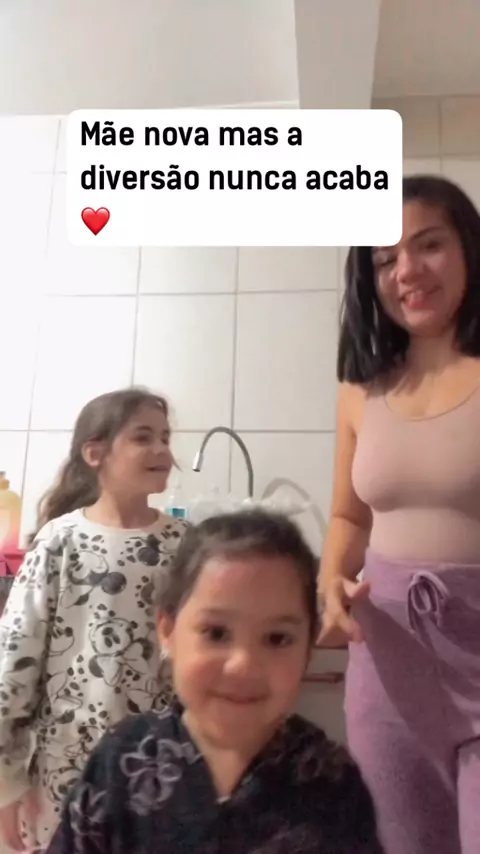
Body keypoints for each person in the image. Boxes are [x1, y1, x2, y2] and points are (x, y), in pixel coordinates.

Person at [44, 510, 383, 854]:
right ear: (167, 631)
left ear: (308, 648)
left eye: (277, 638)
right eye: (216, 633)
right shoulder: (121, 761)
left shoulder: (332, 780)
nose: (243, 665)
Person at [318, 174, 480, 854]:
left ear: (469, 248)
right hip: (387, 666)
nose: (406, 270)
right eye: (385, 259)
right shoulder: (361, 387)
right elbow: (348, 518)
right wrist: (330, 579)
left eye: (429, 245)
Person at [0, 387, 188, 851]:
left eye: (165, 438)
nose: (162, 449)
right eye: (143, 437)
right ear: (95, 453)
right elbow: (15, 660)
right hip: (66, 772)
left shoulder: (186, 545)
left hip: (161, 770)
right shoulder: (59, 541)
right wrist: (5, 783)